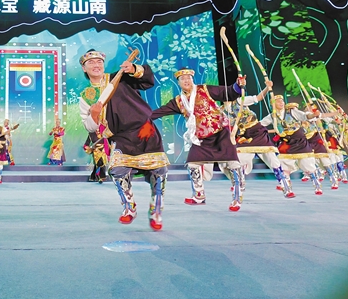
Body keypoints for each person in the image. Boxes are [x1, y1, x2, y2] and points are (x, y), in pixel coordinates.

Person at [79, 49, 169, 231]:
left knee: (158, 171)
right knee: (118, 170)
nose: (96, 65)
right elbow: (89, 126)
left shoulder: (119, 78)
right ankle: (129, 206)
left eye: (99, 61)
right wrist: (94, 115)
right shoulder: (86, 95)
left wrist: (134, 69)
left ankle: (156, 210)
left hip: (144, 130)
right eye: (91, 62)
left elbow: (147, 81)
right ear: (84, 68)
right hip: (120, 136)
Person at [151, 68, 246, 212]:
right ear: (178, 83)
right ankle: (199, 195)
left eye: (188, 78)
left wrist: (238, 85)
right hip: (200, 138)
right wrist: (141, 118)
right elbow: (159, 112)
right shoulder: (178, 101)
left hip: (220, 133)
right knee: (192, 163)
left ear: (192, 80)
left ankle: (237, 197)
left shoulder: (205, 89)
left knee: (233, 163)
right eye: (183, 79)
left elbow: (227, 93)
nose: (186, 81)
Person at [222, 78, 295, 199]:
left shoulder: (240, 101)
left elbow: (258, 97)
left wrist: (267, 87)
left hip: (258, 132)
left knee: (272, 159)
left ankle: (285, 185)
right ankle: (240, 184)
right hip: (245, 136)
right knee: (238, 160)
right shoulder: (222, 111)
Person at [259, 95, 323, 195]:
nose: (281, 103)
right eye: (278, 101)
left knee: (308, 166)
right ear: (273, 105)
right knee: (283, 166)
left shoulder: (291, 111)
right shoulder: (272, 116)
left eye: (282, 101)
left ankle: (317, 186)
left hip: (300, 141)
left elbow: (305, 116)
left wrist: (313, 115)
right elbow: (260, 124)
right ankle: (287, 188)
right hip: (287, 143)